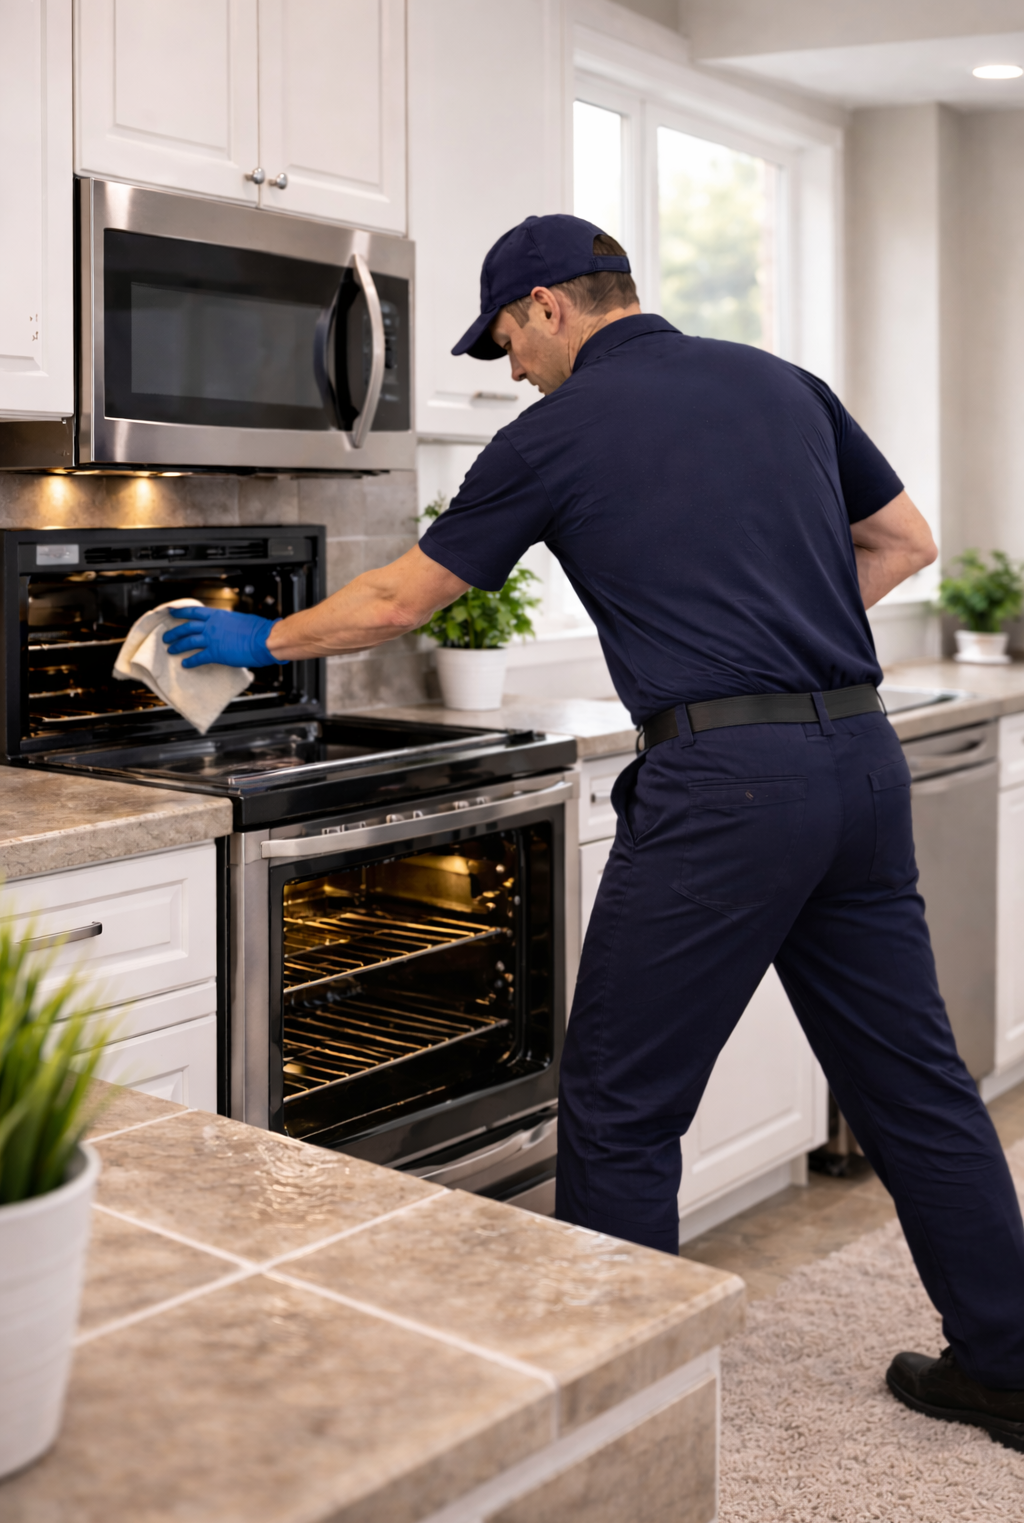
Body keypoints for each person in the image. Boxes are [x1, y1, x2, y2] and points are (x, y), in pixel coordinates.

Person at [165, 213, 1024, 1452]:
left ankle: (622, 1431)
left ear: (550, 307)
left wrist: (259, 641)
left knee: (622, 1109)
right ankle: (1004, 1367)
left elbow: (401, 598)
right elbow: (904, 544)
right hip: (856, 759)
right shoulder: (782, 384)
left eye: (506, 336)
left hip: (725, 786)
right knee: (917, 1084)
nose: (509, 366)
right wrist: (778, 626)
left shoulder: (554, 433)